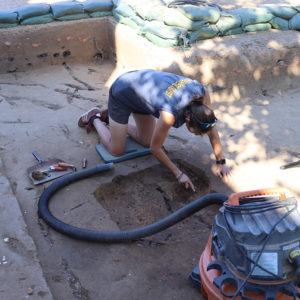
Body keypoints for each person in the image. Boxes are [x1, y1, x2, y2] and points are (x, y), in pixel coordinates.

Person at [78, 69, 231, 192]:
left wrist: (220, 162)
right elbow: (155, 148)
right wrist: (179, 174)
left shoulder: (202, 94)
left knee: (145, 141)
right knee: (116, 149)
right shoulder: (169, 114)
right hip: (123, 91)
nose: (198, 135)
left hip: (142, 97)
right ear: (188, 120)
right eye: (196, 133)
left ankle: (113, 121)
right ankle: (95, 118)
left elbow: (212, 129)